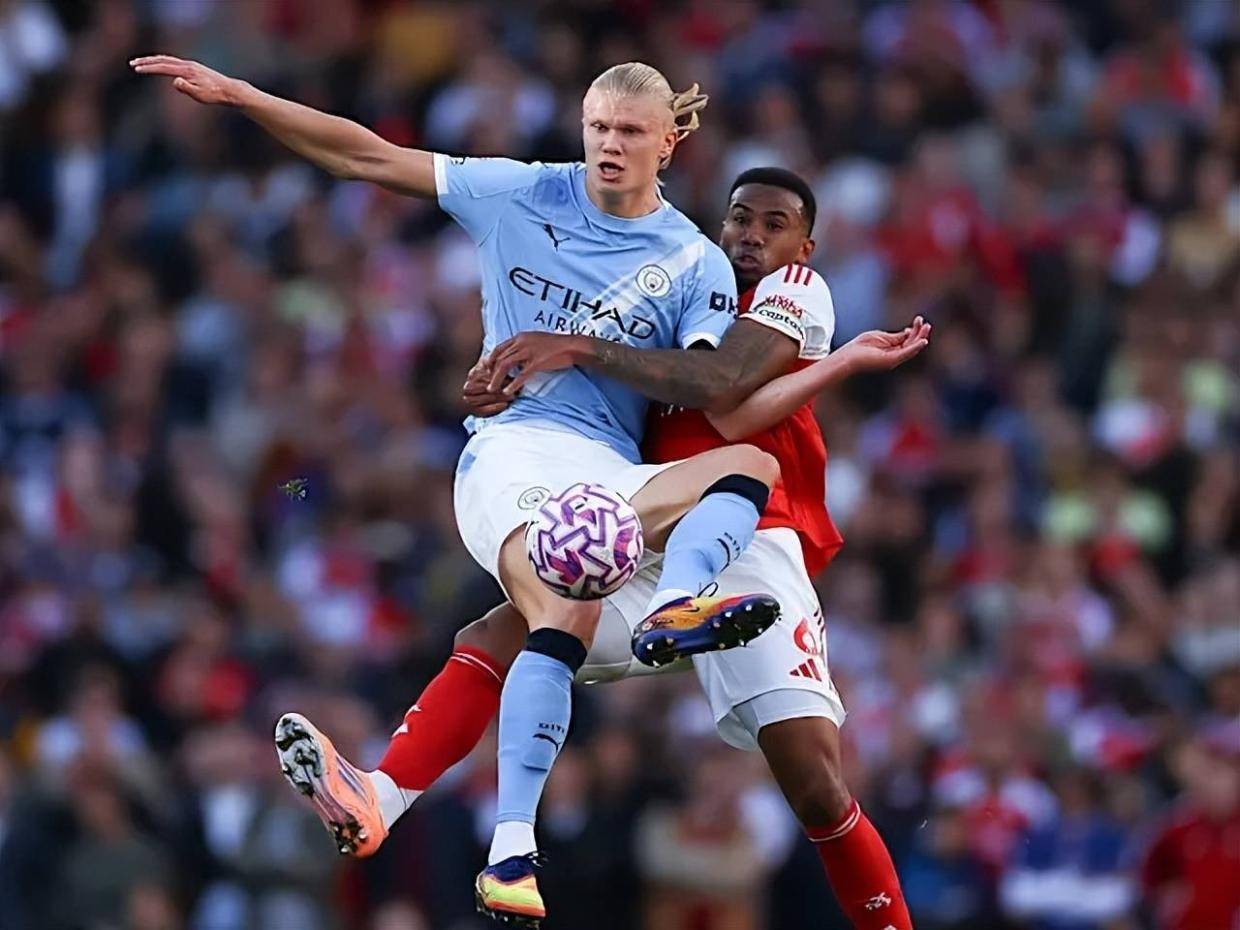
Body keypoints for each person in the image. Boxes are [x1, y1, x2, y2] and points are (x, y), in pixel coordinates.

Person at [131, 55, 804, 925]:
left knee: (748, 471)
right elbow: (365, 156)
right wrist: (245, 95)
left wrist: (581, 348)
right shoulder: (519, 192)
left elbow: (708, 385)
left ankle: (383, 794)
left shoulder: (693, 261)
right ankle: (511, 851)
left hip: (610, 471)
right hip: (514, 452)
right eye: (598, 127)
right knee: (564, 603)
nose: (609, 144)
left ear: (668, 143)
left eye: (631, 131)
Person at [272, 167, 927, 930]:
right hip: (648, 520)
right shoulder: (684, 287)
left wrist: (836, 361)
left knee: (815, 786)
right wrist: (503, 384)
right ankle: (379, 797)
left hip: (751, 537)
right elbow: (595, 375)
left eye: (772, 224)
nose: (751, 235)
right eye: (739, 218)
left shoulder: (794, 289)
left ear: (803, 245)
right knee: (502, 629)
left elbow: (725, 400)